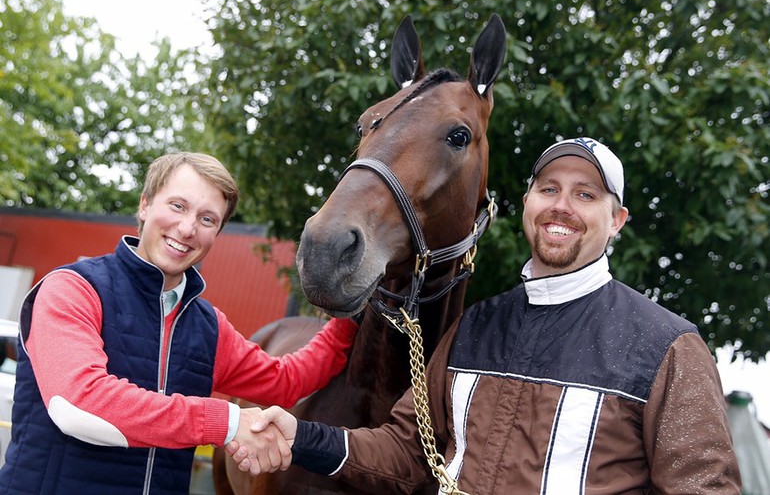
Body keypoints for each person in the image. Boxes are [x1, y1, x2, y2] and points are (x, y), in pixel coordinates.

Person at [234, 137, 742, 493]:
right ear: (525, 203)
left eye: (585, 194)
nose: (561, 206)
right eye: (549, 189)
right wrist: (300, 436)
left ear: (617, 221)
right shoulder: (476, 327)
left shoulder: (667, 348)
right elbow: (408, 454)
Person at [0, 152, 358, 494]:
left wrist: (352, 310)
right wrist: (228, 423)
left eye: (207, 219)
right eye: (177, 206)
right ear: (144, 205)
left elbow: (285, 380)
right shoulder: (74, 288)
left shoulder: (208, 326)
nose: (187, 228)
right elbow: (78, 404)